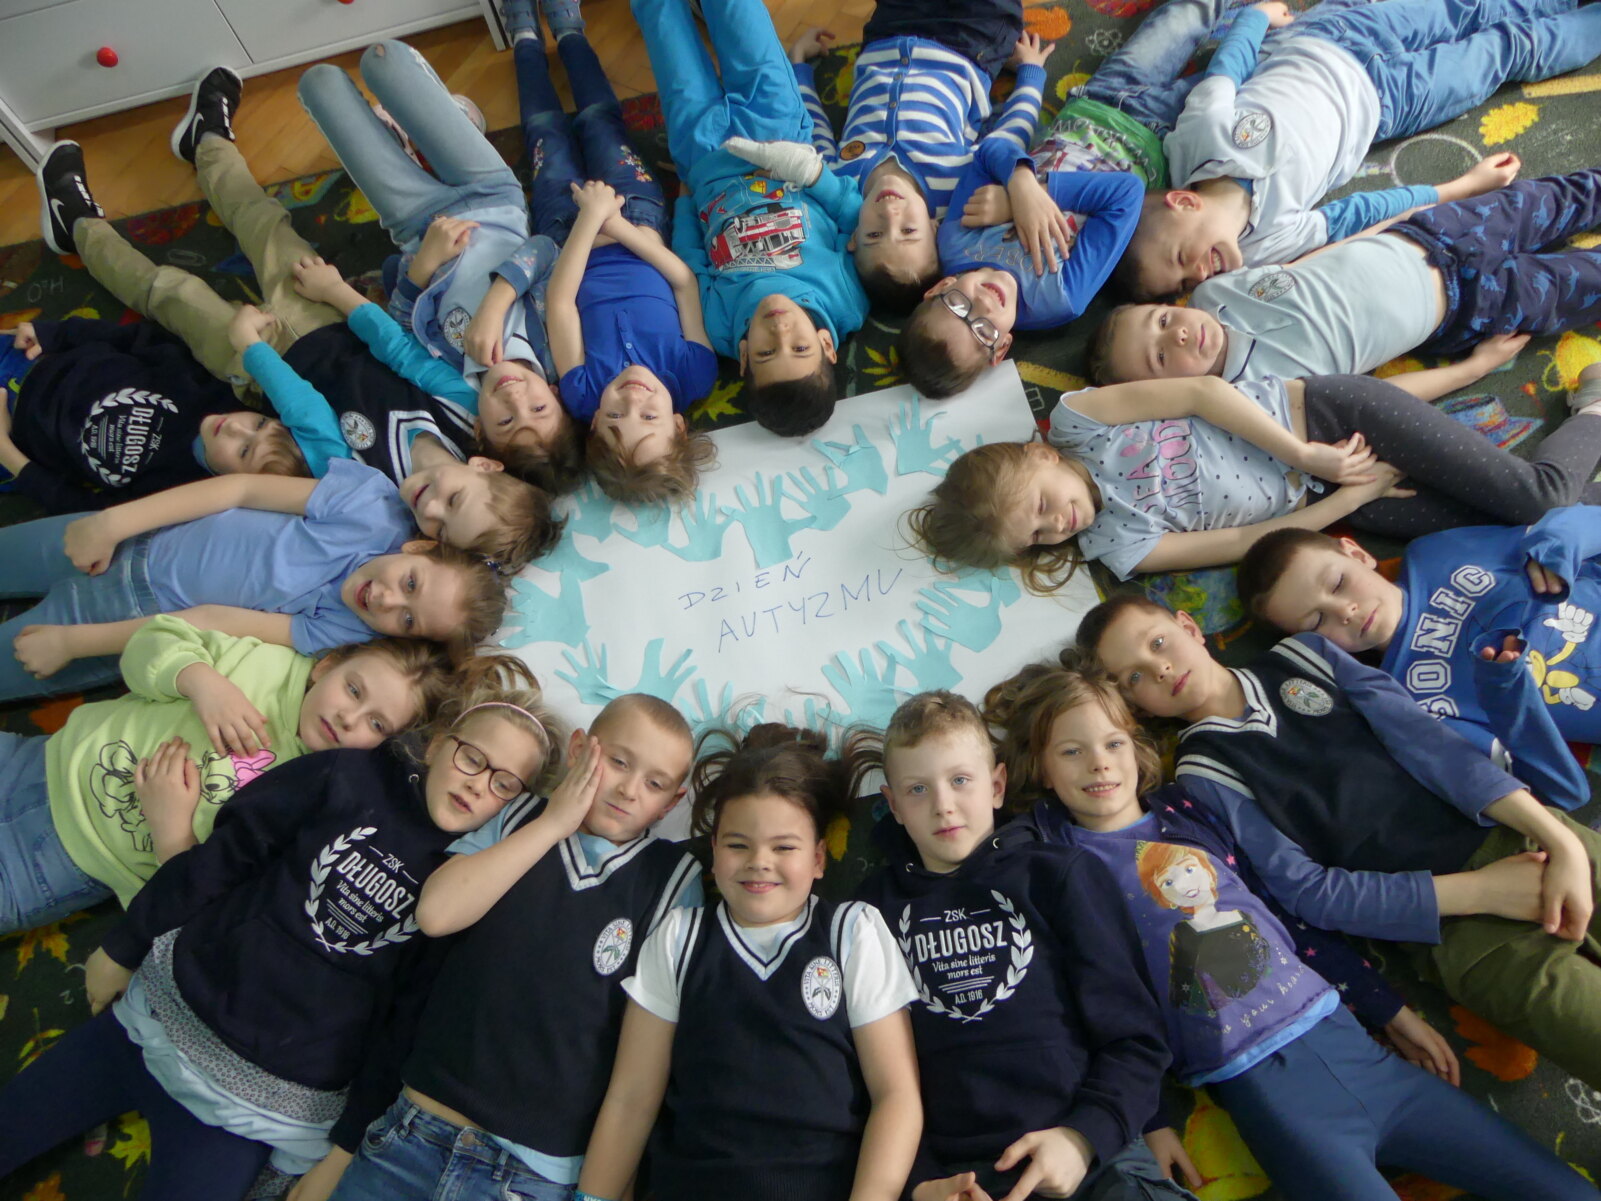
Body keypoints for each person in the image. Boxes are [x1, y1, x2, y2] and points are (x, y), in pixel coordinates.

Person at [984, 655, 1596, 1201]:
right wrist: (1152, 1119)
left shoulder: (1192, 808)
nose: (1099, 763)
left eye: (1113, 742)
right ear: (1040, 767)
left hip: (1361, 1053)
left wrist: (1390, 1011)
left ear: (1135, 745)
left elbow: (1290, 916)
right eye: (1071, 751)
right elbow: (1081, 1003)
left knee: (1567, 1192)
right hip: (1271, 1100)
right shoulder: (1044, 862)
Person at [0, 660, 559, 1201]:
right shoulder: (347, 776)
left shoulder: (471, 893)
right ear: (436, 744)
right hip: (160, 1017)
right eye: (472, 758)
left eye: (504, 783)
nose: (479, 785)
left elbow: (408, 1025)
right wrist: (124, 946)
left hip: (261, 1109)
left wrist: (345, 1149)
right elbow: (221, 859)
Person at [1079, 593, 1601, 1089]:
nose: (1160, 669)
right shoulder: (1202, 774)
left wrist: (1562, 843)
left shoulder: (1306, 654)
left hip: (1522, 833)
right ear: (1137, 707)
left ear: (1189, 625)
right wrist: (1483, 892)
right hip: (1460, 930)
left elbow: (1433, 746)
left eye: (1158, 643)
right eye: (1135, 677)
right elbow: (1311, 893)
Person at [35, 86, 558, 559]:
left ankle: (77, 225)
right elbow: (400, 351)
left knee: (171, 293)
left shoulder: (375, 492)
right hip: (324, 316)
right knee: (265, 224)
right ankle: (209, 142)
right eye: (455, 500)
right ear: (483, 466)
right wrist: (337, 293)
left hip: (261, 370)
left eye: (439, 529)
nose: (432, 507)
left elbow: (309, 418)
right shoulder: (465, 410)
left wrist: (252, 348)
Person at [287, 692, 701, 1201]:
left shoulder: (672, 881)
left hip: (531, 1177)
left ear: (672, 802)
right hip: (412, 1132)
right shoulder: (518, 815)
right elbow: (437, 914)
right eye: (618, 761)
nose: (630, 790)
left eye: (655, 783)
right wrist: (553, 825)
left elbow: (639, 1084)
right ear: (579, 749)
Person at [578, 724, 923, 1201]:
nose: (759, 861)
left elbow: (896, 1096)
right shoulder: (679, 938)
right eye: (738, 844)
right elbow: (631, 1098)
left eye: (784, 847)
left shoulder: (851, 932)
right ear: (714, 851)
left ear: (818, 858)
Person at [859, 691, 1175, 1201]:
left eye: (961, 780)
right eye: (918, 789)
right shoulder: (868, 913)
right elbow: (863, 1080)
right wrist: (920, 1183)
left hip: (1091, 1155)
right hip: (959, 1176)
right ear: (893, 805)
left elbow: (1137, 1037)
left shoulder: (1059, 875)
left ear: (997, 785)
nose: (943, 805)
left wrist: (1082, 1138)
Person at [906, 370, 1601, 585]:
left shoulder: (1080, 422)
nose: (1054, 526)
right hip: (1334, 500)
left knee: (1536, 496)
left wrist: (1308, 454)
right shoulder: (1115, 545)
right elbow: (1246, 542)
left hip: (1327, 417)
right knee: (1521, 531)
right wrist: (1350, 495)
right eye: (1035, 537)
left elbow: (1203, 392)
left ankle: (1594, 403)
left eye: (1038, 506)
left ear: (1038, 456)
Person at [0, 613, 452, 935]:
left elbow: (216, 889)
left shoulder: (328, 794)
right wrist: (201, 681)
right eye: (353, 690)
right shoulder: (264, 664)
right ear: (328, 665)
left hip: (72, 859)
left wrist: (172, 830)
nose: (348, 718)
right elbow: (152, 640)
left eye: (377, 724)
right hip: (43, 759)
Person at [1117, 0, 1601, 297]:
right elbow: (1359, 213)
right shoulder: (1265, 244)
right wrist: (1460, 187)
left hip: (1333, 38)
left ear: (1183, 201)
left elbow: (1229, 68)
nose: (1199, 276)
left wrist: (1254, 18)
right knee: (1506, 50)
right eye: (1184, 286)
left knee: (1467, 9)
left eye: (1181, 260)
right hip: (1389, 102)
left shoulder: (1196, 142)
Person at [297, 44, 580, 487]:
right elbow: (545, 249)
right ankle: (453, 121)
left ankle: (400, 144)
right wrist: (494, 306)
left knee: (319, 84)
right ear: (557, 395)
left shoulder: (454, 379)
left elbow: (403, 324)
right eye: (539, 408)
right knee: (384, 60)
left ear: (480, 430)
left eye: (506, 422)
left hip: (415, 224)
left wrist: (424, 262)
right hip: (489, 192)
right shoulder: (555, 351)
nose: (515, 399)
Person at [1, 463, 506, 703]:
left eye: (408, 620)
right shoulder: (371, 509)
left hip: (124, 620)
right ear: (418, 549)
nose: (387, 599)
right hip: (139, 534)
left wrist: (74, 643)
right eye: (411, 583)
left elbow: (211, 621)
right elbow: (240, 489)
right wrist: (113, 523)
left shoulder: (344, 630)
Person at [1237, 496, 1601, 807]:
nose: (1345, 611)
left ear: (1356, 553)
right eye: (1317, 620)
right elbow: (1564, 791)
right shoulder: (1402, 705)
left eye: (1338, 583)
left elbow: (1588, 521)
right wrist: (1507, 694)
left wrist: (1560, 539)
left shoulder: (1433, 553)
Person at [1093, 166, 1601, 388]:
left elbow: (1313, 261)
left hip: (1426, 233)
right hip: (1470, 304)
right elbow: (1382, 399)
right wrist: (1471, 371)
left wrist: (1401, 220)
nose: (1178, 335)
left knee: (1552, 199)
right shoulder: (1255, 395)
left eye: (1163, 321)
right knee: (1583, 281)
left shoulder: (1213, 291)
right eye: (1162, 357)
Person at [500, 0, 720, 504]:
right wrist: (615, 222)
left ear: (594, 422)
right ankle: (570, 31)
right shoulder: (694, 373)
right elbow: (683, 281)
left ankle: (525, 38)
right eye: (649, 417)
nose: (631, 399)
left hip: (567, 232)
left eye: (614, 417)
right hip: (635, 218)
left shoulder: (581, 393)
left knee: (545, 133)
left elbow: (560, 302)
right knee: (601, 123)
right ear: (678, 424)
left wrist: (589, 221)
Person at [631, 0, 873, 436]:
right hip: (776, 129)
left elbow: (691, 263)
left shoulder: (720, 328)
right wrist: (813, 175)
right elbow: (855, 217)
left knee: (662, 24)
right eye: (799, 347)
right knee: (737, 12)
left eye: (766, 353)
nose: (779, 330)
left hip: (702, 154)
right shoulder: (847, 302)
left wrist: (685, 201)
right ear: (826, 346)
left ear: (743, 357)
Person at [786, 10, 1051, 314]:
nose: (890, 214)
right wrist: (1031, 72)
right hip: (968, 42)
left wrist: (798, 66)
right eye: (909, 230)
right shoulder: (955, 187)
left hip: (886, 34)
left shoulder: (839, 183)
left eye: (874, 234)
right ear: (934, 227)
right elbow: (1010, 137)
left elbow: (810, 127)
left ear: (855, 237)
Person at [0, 317, 308, 515]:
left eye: (244, 451)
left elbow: (83, 508)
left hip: (18, 437)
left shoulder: (177, 497)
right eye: (259, 423)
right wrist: (55, 333)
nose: (236, 427)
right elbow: (136, 338)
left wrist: (7, 451)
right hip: (34, 361)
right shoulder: (210, 388)